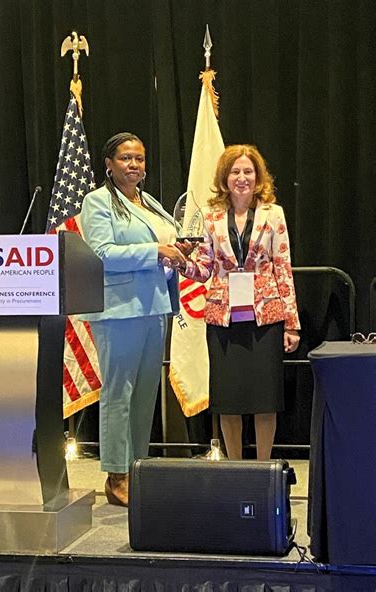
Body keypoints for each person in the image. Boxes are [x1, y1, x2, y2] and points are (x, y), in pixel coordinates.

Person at [79, 132, 186, 506]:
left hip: (155, 305)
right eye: (126, 158)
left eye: (139, 158)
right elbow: (101, 253)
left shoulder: (149, 201)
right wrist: (156, 250)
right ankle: (116, 475)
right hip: (118, 310)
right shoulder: (97, 201)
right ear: (109, 164)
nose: (134, 165)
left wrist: (178, 251)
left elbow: (165, 244)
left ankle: (137, 469)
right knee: (119, 393)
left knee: (144, 394)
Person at [178, 144, 300, 461]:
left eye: (248, 171)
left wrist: (291, 324)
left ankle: (262, 468)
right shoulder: (211, 216)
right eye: (235, 171)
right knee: (228, 399)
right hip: (223, 318)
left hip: (266, 317)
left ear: (258, 177)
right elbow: (204, 270)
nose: (242, 178)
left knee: (265, 398)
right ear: (225, 177)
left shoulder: (273, 214)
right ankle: (235, 467)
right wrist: (181, 262)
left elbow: (283, 268)